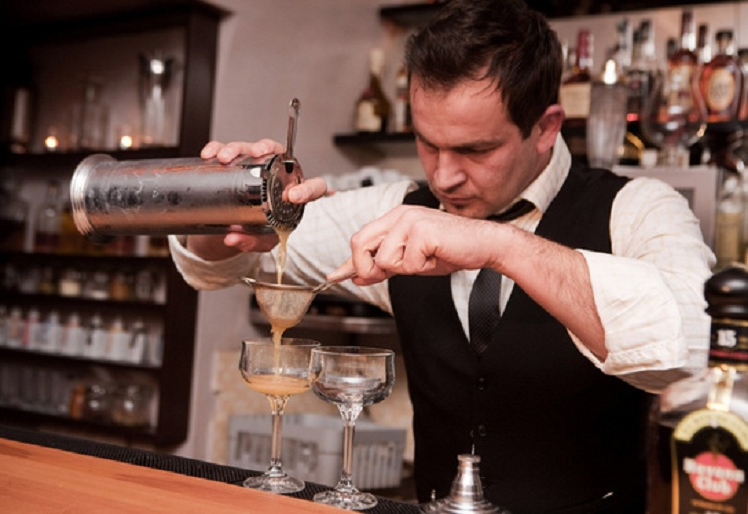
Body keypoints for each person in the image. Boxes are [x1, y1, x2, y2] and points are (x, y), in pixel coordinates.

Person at [170, 0, 714, 511]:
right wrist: (236, 199)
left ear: (546, 127)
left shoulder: (636, 208)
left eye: (476, 150)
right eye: (427, 143)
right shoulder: (396, 208)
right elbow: (221, 264)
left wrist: (500, 246)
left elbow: (685, 348)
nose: (443, 176)